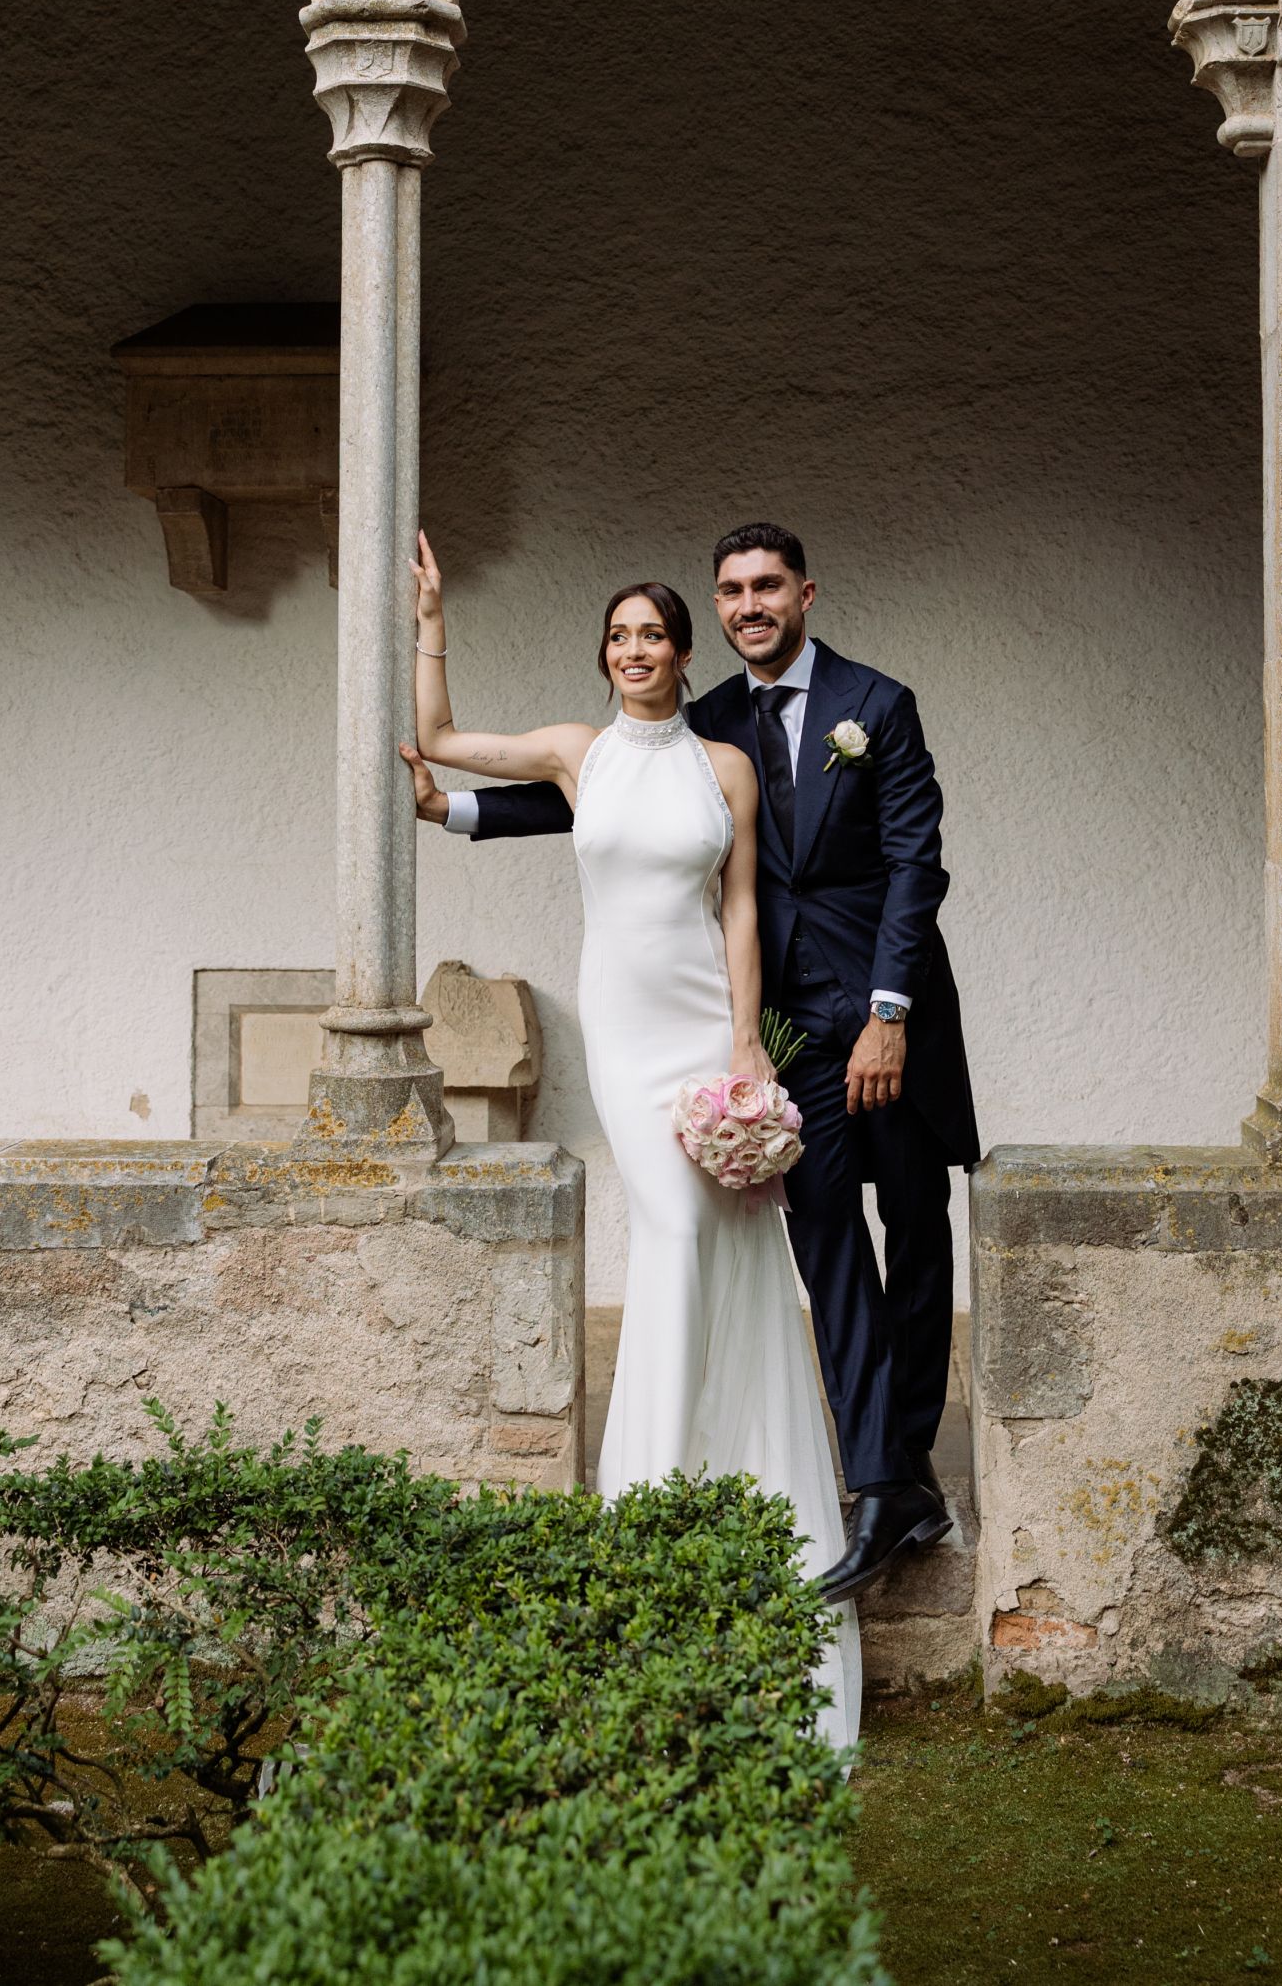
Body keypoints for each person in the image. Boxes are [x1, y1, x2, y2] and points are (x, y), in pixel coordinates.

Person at [403, 524, 979, 1606]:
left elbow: (914, 864)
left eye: (766, 587)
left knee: (911, 1234)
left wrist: (890, 1012)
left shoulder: (878, 705)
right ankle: (872, 1486)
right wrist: (456, 810)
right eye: (731, 591)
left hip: (881, 1016)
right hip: (775, 1030)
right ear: (712, 614)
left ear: (803, 593)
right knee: (822, 1240)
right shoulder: (707, 721)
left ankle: (904, 1477)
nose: (749, 605)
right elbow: (604, 799)